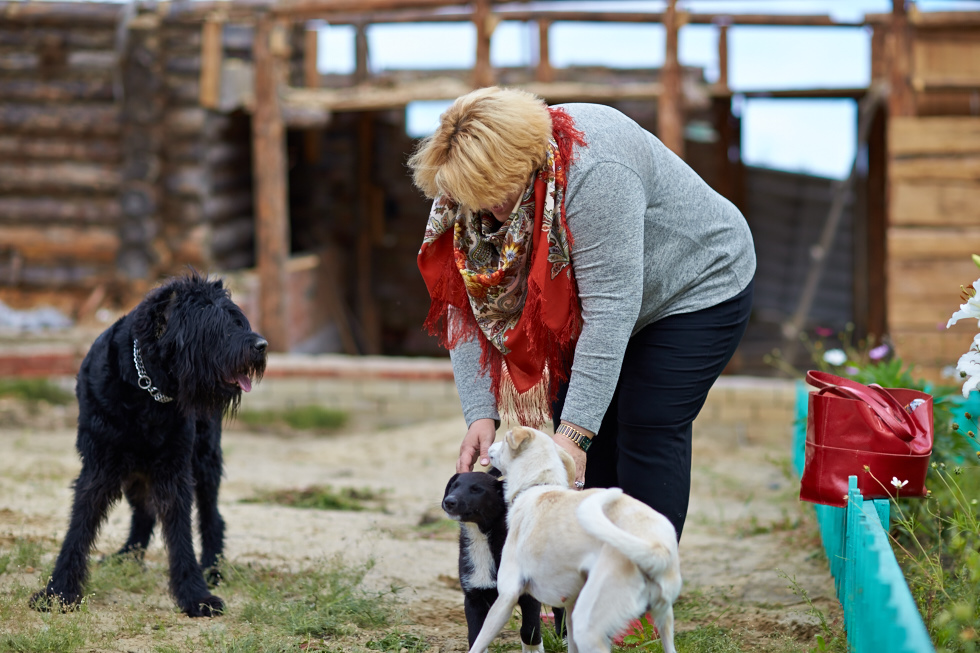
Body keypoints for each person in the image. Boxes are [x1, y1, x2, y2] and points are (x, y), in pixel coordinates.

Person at [410, 86, 755, 540]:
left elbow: (611, 309)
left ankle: (643, 569)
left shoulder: (595, 171)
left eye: (497, 197)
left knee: (643, 419)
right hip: (591, 302)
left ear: (526, 165)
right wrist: (480, 413)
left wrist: (574, 435)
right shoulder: (464, 179)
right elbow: (465, 297)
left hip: (695, 285)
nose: (489, 211)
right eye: (478, 201)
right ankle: (591, 568)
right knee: (586, 431)